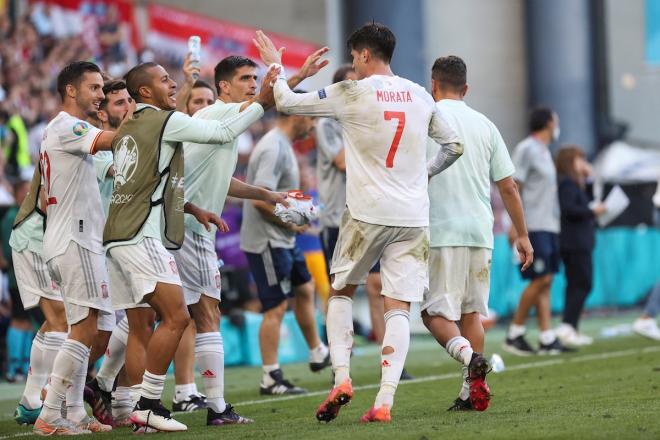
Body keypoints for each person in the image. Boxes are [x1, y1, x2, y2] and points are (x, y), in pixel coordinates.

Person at [253, 23, 462, 423]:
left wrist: (276, 64)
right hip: (413, 216)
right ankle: (384, 401)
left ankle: (342, 380)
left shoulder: (353, 91)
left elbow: (287, 103)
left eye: (353, 57)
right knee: (397, 304)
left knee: (341, 291)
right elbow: (454, 146)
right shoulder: (420, 94)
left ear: (364, 55)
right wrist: (426, 173)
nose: (353, 64)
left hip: (367, 213)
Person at [103, 61, 270, 432]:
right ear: (145, 92)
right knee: (178, 316)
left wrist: (194, 208)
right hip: (141, 233)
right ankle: (149, 403)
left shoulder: (131, 124)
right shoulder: (164, 120)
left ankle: (121, 402)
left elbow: (157, 183)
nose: (173, 83)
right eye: (165, 80)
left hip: (117, 234)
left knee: (140, 324)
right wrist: (265, 101)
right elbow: (225, 131)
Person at [173, 53, 324, 423]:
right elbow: (266, 102)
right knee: (202, 315)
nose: (252, 86)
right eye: (245, 78)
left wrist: (268, 195)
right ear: (224, 86)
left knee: (166, 318)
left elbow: (220, 182)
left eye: (255, 79)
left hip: (189, 228)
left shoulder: (223, 121)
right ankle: (211, 405)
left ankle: (132, 396)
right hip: (190, 229)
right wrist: (298, 75)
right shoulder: (219, 115)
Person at [421, 56, 533, 412]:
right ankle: (471, 394)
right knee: (471, 314)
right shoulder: (486, 124)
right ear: (466, 88)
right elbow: (509, 187)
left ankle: (470, 359)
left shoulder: (425, 119)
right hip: (480, 232)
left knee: (432, 313)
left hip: (439, 229)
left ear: (433, 85)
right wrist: (523, 235)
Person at [34, 61, 118, 436]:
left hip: (79, 237)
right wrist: (143, 120)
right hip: (74, 237)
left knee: (98, 327)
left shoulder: (67, 129)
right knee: (84, 328)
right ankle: (49, 414)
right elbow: (110, 140)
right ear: (72, 90)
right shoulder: (69, 126)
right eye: (95, 88)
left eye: (102, 88)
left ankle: (74, 412)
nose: (101, 95)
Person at [315, 64, 413, 380]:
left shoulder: (370, 119)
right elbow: (343, 161)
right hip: (338, 217)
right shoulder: (328, 123)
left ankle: (392, 362)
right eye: (352, 86)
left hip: (371, 214)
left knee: (376, 286)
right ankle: (339, 361)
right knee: (340, 289)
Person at [239, 94, 330, 397]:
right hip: (267, 241)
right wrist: (293, 221)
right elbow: (260, 199)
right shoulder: (273, 147)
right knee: (275, 307)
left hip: (282, 238)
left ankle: (318, 351)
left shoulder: (282, 145)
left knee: (305, 289)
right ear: (296, 116)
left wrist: (297, 214)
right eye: (311, 117)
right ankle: (270, 377)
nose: (313, 124)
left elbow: (277, 196)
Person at [83, 79, 136, 428]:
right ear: (102, 113)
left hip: (119, 247)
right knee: (91, 332)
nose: (127, 107)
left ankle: (103, 389)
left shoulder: (124, 144)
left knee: (136, 318)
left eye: (130, 101)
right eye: (119, 103)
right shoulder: (99, 147)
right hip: (96, 249)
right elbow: (121, 173)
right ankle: (62, 395)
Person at [505, 107, 568, 356]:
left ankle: (546, 336)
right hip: (533, 225)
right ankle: (515, 333)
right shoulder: (527, 149)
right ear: (548, 123)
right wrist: (515, 226)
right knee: (540, 279)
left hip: (549, 224)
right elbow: (513, 185)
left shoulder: (544, 152)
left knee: (547, 280)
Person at [11, 167, 67, 426]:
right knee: (60, 318)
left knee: (56, 320)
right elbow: (48, 201)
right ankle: (53, 403)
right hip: (36, 238)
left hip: (43, 239)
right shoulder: (70, 137)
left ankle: (31, 399)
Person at [554, 146, 605, 347]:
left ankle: (571, 327)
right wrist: (592, 212)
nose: (583, 163)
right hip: (574, 242)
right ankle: (568, 326)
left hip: (580, 241)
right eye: (579, 159)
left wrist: (590, 180)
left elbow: (589, 201)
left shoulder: (576, 184)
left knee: (579, 284)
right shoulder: (566, 183)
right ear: (570, 161)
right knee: (581, 283)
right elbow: (569, 209)